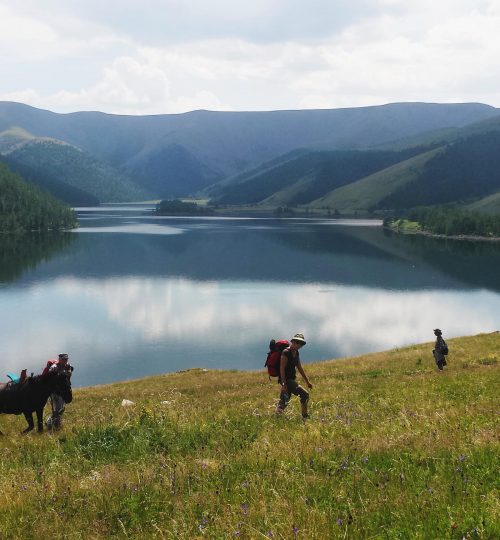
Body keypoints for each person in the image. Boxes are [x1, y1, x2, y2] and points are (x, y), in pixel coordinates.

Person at [276, 333, 313, 419]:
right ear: (292, 341)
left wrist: (307, 381)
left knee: (284, 401)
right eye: (297, 342)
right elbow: (282, 369)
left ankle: (277, 417)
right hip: (286, 380)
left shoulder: (296, 353)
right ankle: (305, 416)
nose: (299, 345)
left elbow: (299, 367)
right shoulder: (285, 352)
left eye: (301, 343)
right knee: (304, 395)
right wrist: (284, 385)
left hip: (291, 379)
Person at [43, 353, 73, 429]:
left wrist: (68, 370)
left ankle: (52, 423)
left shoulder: (68, 366)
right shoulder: (54, 367)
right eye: (63, 359)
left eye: (66, 359)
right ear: (59, 359)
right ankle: (54, 425)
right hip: (55, 392)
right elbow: (49, 380)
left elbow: (68, 376)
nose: (65, 360)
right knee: (57, 409)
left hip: (64, 391)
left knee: (61, 408)